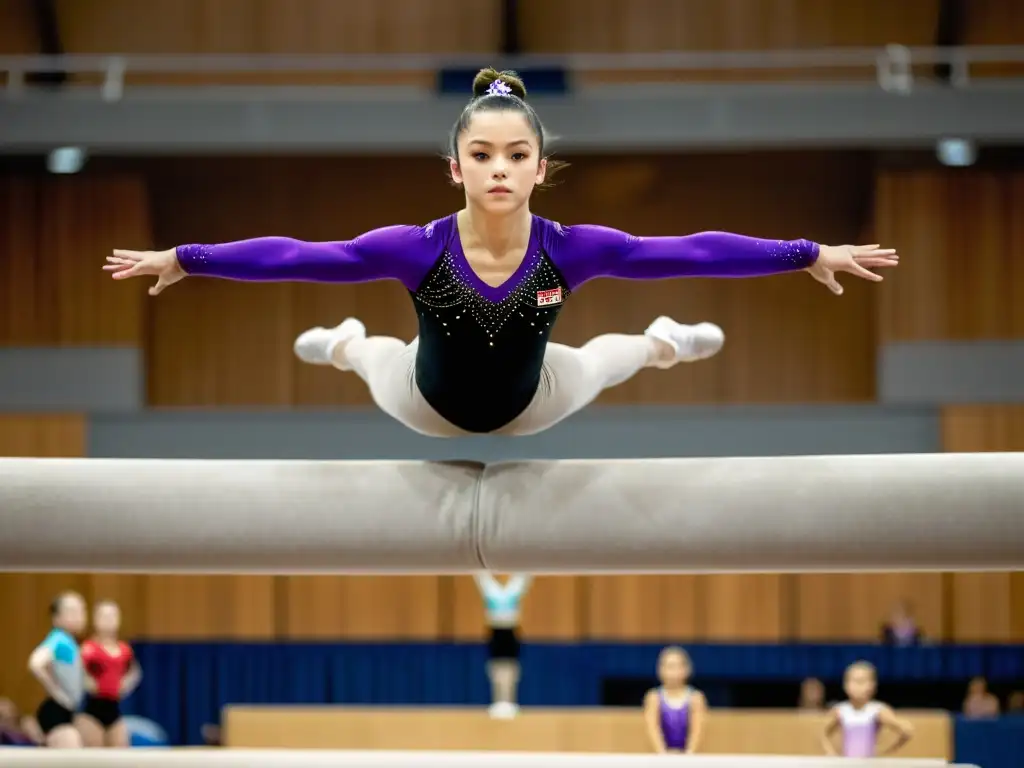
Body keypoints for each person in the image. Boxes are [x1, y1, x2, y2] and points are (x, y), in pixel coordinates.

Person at [105, 68, 898, 438]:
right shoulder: (416, 251)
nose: (498, 169)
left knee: (612, 357)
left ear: (540, 168)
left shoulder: (573, 249)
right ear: (456, 167)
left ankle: (668, 343)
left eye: (516, 155)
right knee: (372, 354)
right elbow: (296, 256)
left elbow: (689, 247)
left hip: (535, 403)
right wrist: (188, 255)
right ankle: (343, 344)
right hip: (424, 406)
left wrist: (805, 252)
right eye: (482, 154)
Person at [77, 600, 142, 747]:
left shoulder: (125, 650)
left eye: (112, 616)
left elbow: (135, 672)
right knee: (96, 757)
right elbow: (77, 671)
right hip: (91, 710)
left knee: (120, 754)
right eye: (104, 616)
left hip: (114, 710)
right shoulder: (89, 648)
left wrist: (125, 685)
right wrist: (87, 683)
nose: (109, 620)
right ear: (95, 620)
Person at [27, 591, 88, 748]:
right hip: (56, 712)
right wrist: (57, 693)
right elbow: (35, 663)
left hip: (67, 712)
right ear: (56, 618)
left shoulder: (70, 642)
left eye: (81, 610)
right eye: (72, 611)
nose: (78, 616)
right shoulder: (59, 639)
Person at [821, 661, 913, 758]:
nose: (857, 686)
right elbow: (822, 734)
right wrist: (831, 753)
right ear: (845, 685)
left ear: (872, 685)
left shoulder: (877, 710)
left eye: (861, 682)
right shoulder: (841, 710)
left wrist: (887, 752)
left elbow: (907, 730)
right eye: (853, 681)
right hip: (847, 763)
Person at [473, 571, 532, 719]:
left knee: (511, 672)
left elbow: (524, 577)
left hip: (510, 632)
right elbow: (481, 578)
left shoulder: (512, 591)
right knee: (496, 671)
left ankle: (510, 702)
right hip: (496, 632)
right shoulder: (492, 591)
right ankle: (497, 702)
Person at [643, 646, 707, 754]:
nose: (673, 672)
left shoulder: (695, 698)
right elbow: (653, 729)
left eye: (677, 666)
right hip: (661, 756)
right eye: (669, 667)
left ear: (687, 669)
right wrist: (663, 754)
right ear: (660, 669)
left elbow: (697, 731)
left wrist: (689, 754)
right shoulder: (654, 697)